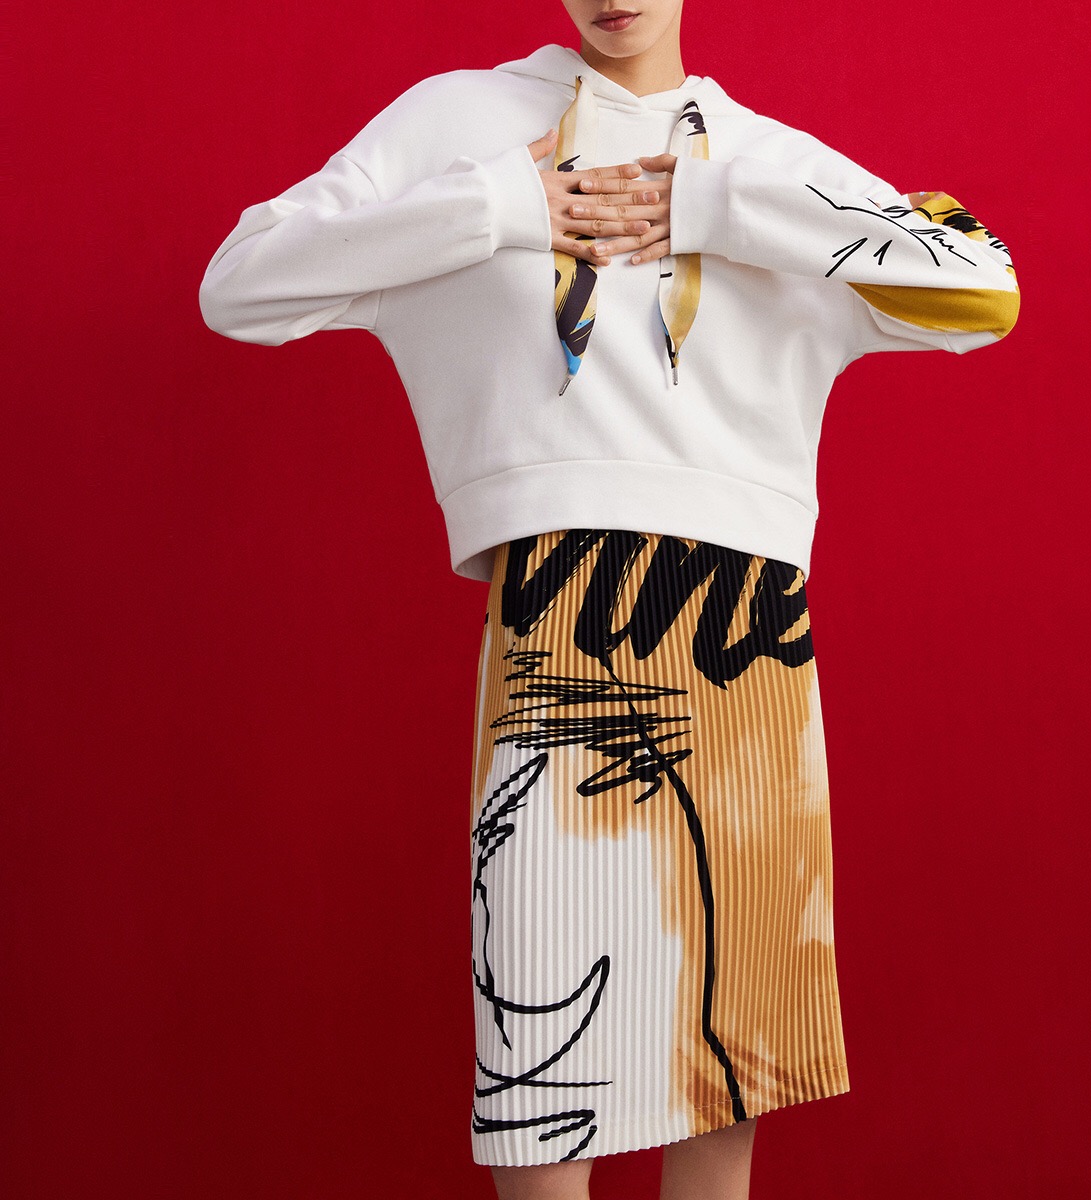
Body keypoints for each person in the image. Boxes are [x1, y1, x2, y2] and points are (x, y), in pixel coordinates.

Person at [198, 2, 1019, 1196]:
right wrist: (494, 206)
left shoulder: (763, 159)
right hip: (559, 621)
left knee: (724, 1085)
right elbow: (241, 283)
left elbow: (984, 285)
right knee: (544, 1085)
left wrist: (720, 207)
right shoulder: (463, 123)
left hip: (746, 632)